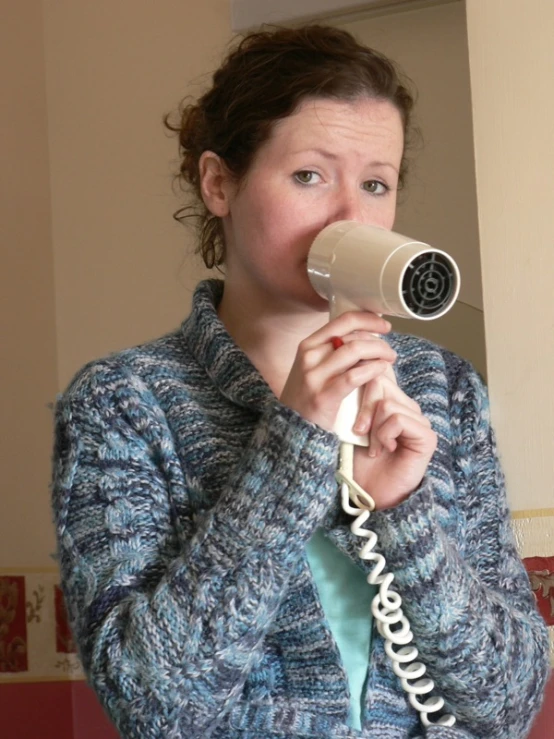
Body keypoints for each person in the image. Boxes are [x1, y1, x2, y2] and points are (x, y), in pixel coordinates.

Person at [51, 24, 549, 739]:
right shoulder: (124, 404)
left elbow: (510, 702)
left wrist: (402, 513)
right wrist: (293, 449)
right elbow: (155, 705)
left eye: (376, 183)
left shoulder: (445, 390)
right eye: (310, 176)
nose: (351, 216)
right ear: (219, 182)